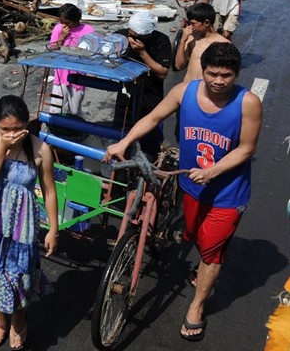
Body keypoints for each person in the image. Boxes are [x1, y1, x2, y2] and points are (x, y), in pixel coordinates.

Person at [106, 43, 261, 343]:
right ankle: (202, 269)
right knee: (195, 237)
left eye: (226, 75)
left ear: (236, 74)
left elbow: (247, 147)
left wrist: (214, 171)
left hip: (227, 194)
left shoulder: (248, 103)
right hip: (190, 186)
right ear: (202, 71)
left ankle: (196, 306)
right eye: (212, 73)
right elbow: (153, 118)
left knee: (212, 253)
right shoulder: (184, 92)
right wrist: (124, 142)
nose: (218, 81)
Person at [0, 95, 58, 351]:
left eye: (17, 128)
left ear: (27, 124)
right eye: (5, 129)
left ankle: (18, 321)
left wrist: (54, 229)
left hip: (22, 227)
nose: (11, 134)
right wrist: (2, 148)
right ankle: (1, 323)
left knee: (18, 275)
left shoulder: (40, 149)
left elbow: (49, 191)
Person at [112, 11, 172, 157]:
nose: (131, 38)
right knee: (121, 131)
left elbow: (162, 73)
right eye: (129, 34)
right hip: (126, 95)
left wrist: (142, 53)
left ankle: (149, 165)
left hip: (150, 96)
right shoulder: (121, 36)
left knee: (149, 137)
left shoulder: (161, 41)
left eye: (136, 37)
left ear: (147, 35)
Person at [46, 3, 96, 116]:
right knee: (57, 106)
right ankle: (56, 128)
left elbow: (93, 51)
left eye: (67, 23)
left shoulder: (88, 30)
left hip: (78, 72)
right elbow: (52, 48)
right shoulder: (59, 28)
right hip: (61, 72)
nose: (64, 25)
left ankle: (75, 130)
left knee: (74, 109)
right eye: (62, 22)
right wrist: (62, 36)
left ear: (75, 19)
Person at [174, 2, 230, 81]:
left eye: (193, 23)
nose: (190, 27)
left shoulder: (223, 44)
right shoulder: (191, 38)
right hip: (189, 86)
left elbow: (226, 73)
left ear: (206, 23)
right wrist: (183, 41)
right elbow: (179, 65)